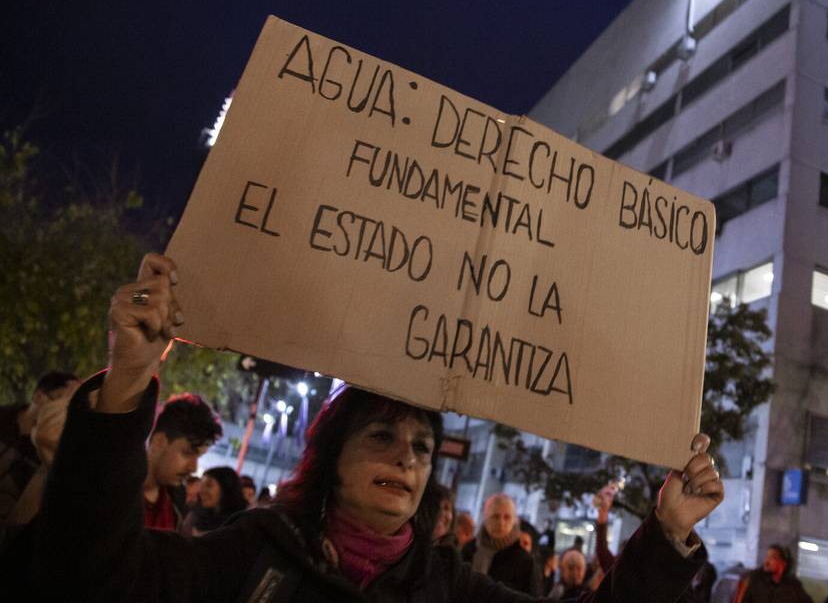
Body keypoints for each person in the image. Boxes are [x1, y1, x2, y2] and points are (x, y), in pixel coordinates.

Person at [30, 252, 724, 600]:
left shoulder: (446, 585)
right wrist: (124, 386)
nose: (408, 458)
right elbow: (91, 571)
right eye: (382, 437)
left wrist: (665, 533)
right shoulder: (254, 553)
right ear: (333, 453)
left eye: (423, 446)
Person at [0, 369, 77, 522]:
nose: (63, 412)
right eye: (61, 401)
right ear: (38, 396)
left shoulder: (49, 452)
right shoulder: (3, 419)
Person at [142, 390, 223, 531]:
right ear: (158, 441)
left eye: (198, 457)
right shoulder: (113, 487)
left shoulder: (176, 501)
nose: (193, 468)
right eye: (188, 453)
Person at [461, 492, 538, 594]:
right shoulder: (469, 549)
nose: (501, 523)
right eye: (495, 516)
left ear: (514, 521)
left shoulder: (525, 561)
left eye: (507, 517)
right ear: (485, 517)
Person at [181, 465, 248, 535]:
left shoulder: (241, 524)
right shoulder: (194, 518)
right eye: (202, 485)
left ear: (226, 488)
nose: (201, 491)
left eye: (209, 485)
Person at [734, 544, 813, 603]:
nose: (766, 561)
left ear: (783, 563)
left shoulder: (793, 586)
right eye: (767, 557)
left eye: (772, 557)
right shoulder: (754, 579)